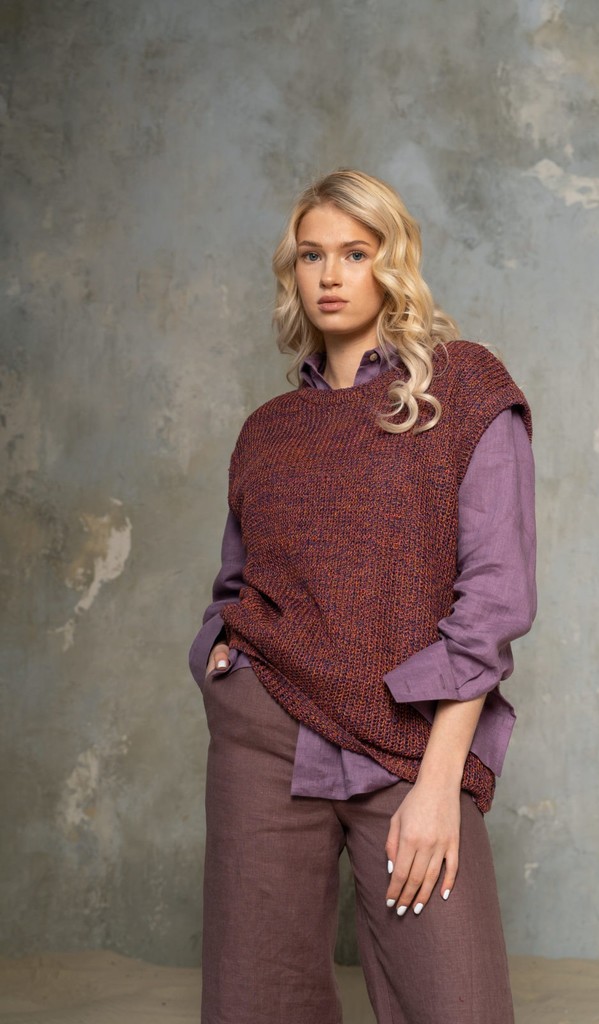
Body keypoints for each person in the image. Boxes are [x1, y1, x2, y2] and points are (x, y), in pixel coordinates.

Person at [189, 168, 536, 1024]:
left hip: (410, 741)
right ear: (293, 272)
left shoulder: (465, 390)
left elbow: (494, 602)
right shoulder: (267, 432)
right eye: (312, 255)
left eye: (355, 252)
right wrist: (220, 661)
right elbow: (235, 582)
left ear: (394, 262)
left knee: (456, 1002)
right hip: (265, 739)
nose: (331, 275)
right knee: (258, 1002)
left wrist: (438, 783)